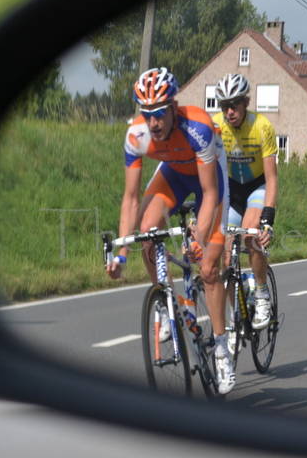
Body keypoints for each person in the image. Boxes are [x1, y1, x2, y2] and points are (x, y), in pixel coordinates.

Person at [105, 67, 235, 395]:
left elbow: (209, 194)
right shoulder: (137, 136)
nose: (154, 123)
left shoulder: (199, 128)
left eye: (160, 113)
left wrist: (200, 238)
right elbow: (131, 199)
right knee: (148, 230)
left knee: (207, 268)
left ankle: (221, 349)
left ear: (174, 106)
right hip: (174, 175)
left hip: (210, 180)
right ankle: (164, 300)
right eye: (146, 114)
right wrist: (121, 254)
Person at [212, 74, 277, 330]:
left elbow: (272, 180)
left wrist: (267, 222)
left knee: (251, 237)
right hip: (231, 192)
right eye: (224, 105)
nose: (229, 111)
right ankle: (234, 313)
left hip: (257, 188)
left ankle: (262, 295)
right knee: (226, 257)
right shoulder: (215, 126)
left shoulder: (262, 126)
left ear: (246, 101)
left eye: (235, 104)